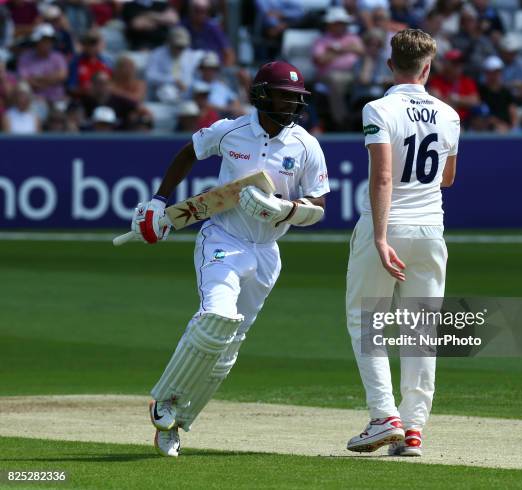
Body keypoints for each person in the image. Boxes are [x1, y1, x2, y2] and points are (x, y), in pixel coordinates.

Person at [132, 61, 330, 457]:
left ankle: (179, 423)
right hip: (223, 239)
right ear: (261, 95)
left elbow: (318, 204)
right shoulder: (231, 131)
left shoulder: (306, 145)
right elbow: (190, 151)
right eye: (284, 96)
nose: (291, 104)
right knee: (217, 318)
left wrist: (285, 209)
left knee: (230, 344)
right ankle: (166, 400)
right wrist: (159, 201)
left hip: (267, 253)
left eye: (296, 99)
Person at [346, 28, 459, 457]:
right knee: (421, 331)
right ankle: (412, 430)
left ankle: (383, 416)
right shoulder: (449, 113)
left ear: (391, 65)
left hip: (390, 226)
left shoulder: (378, 107)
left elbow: (383, 175)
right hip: (431, 230)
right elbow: (447, 178)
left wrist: (378, 235)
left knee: (367, 323)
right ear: (427, 68)